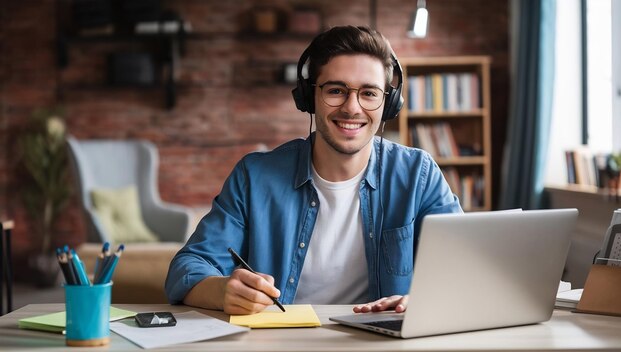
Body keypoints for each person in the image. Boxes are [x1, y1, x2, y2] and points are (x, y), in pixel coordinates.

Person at [165, 25, 462, 315]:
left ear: (389, 103)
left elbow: (465, 266)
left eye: (369, 93)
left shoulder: (418, 175)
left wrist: (421, 301)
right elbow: (188, 267)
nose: (352, 107)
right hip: (282, 340)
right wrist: (222, 290)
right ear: (309, 97)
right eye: (336, 90)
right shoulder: (255, 176)